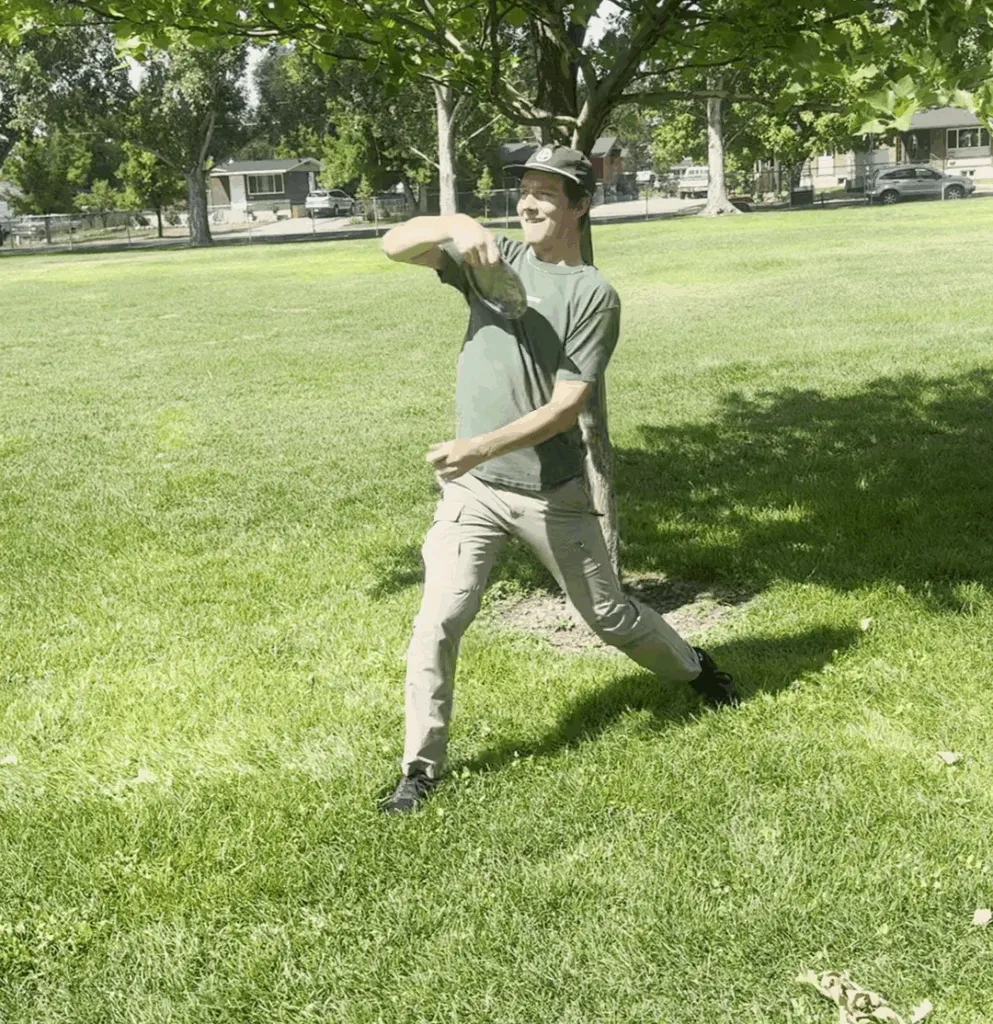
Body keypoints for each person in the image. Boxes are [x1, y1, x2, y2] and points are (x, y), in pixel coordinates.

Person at [379, 145, 739, 815]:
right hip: (473, 490)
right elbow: (392, 244)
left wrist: (478, 444)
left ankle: (695, 670)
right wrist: (454, 224)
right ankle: (419, 769)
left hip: (550, 494)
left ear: (579, 205)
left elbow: (567, 406)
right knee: (439, 619)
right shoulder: (494, 261)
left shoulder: (592, 295)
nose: (530, 202)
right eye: (524, 191)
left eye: (549, 192)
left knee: (608, 617)